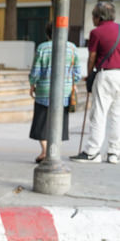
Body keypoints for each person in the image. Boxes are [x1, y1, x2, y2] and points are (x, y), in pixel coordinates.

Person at [70, 1, 120, 164]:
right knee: (117, 115)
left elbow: (92, 56)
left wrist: (90, 74)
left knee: (99, 113)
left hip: (105, 75)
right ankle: (114, 152)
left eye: (93, 16)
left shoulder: (96, 32)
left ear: (99, 17)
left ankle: (93, 151)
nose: (92, 19)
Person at [28, 23, 81, 163]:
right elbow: (77, 72)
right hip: (64, 92)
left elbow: (35, 71)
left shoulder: (42, 47)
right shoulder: (72, 47)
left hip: (44, 92)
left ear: (48, 34)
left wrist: (32, 84)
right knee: (60, 123)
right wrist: (72, 83)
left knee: (41, 123)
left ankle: (45, 151)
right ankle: (54, 151)